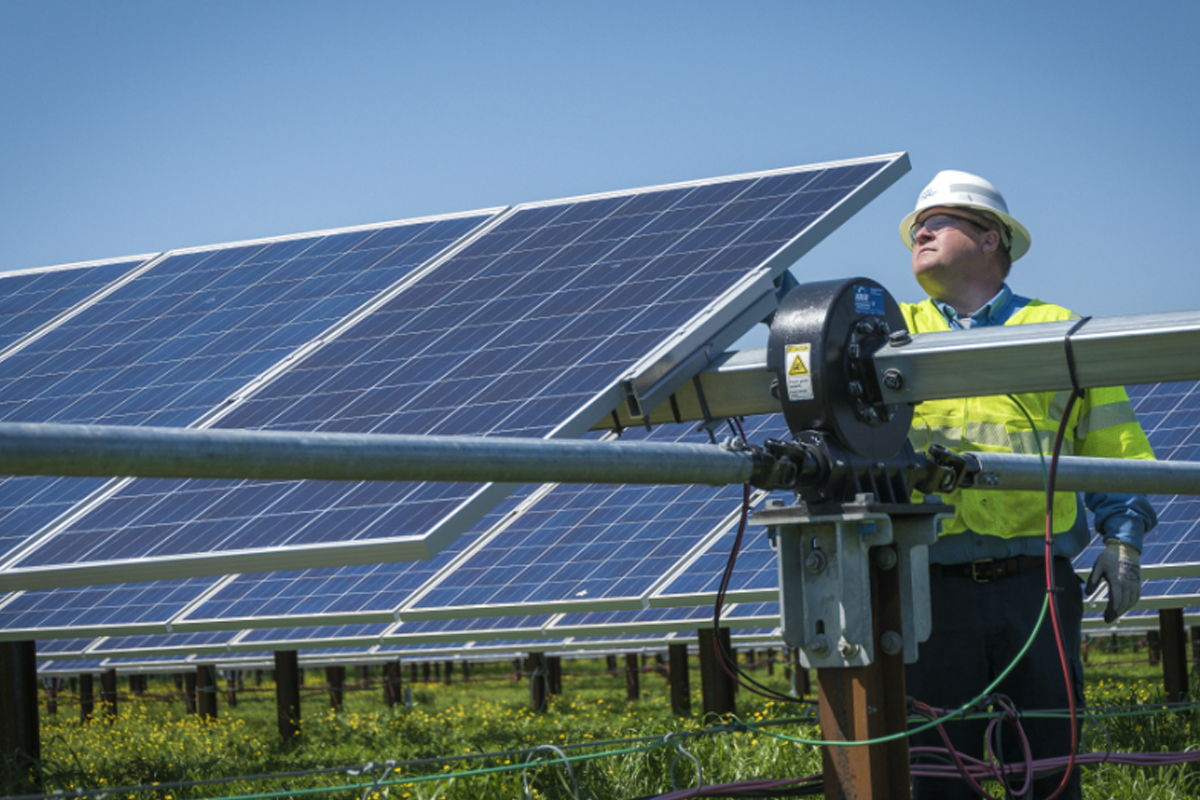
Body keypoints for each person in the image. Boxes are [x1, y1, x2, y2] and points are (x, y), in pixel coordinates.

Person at [896, 170, 1157, 799]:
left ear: (992, 240)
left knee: (1048, 769)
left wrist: (1123, 541)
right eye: (916, 228)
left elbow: (1113, 449)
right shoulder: (886, 333)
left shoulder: (1056, 328)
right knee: (937, 776)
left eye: (941, 221)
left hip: (1036, 587)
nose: (921, 232)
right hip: (929, 592)